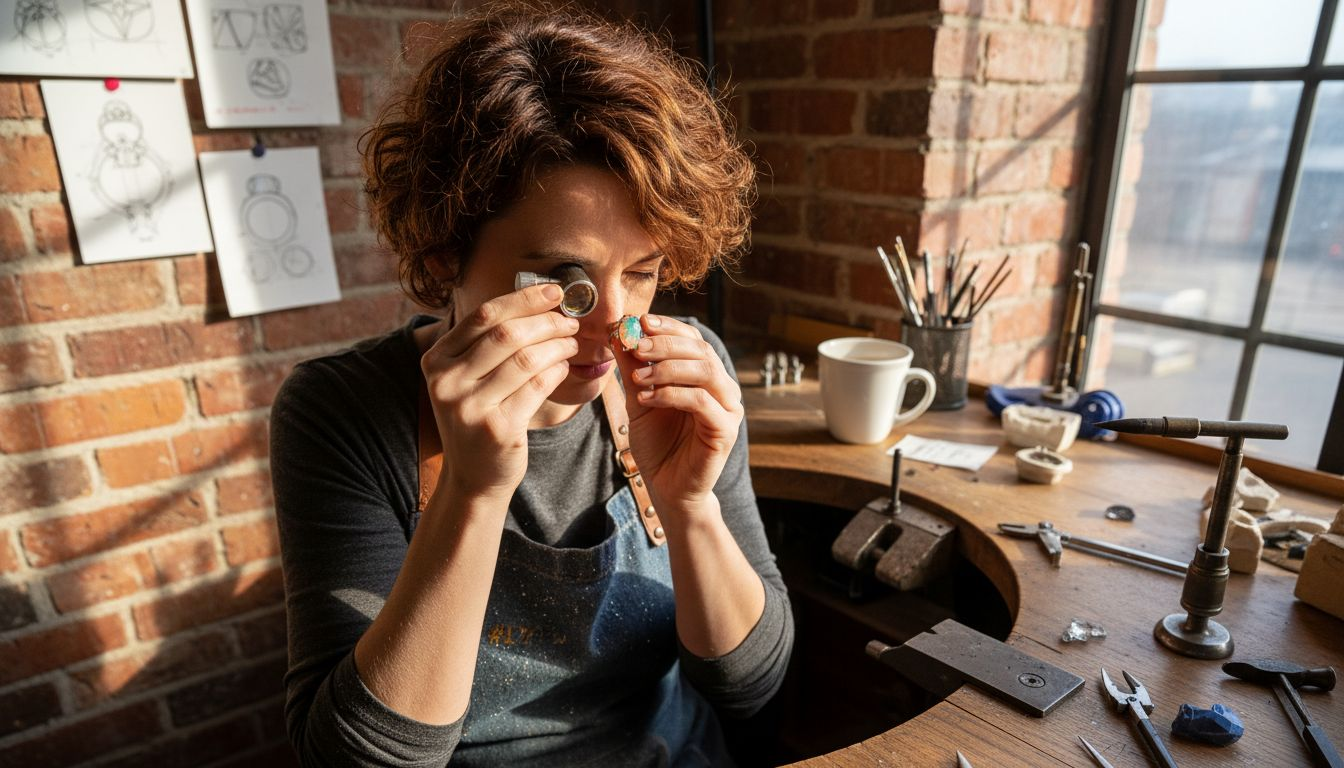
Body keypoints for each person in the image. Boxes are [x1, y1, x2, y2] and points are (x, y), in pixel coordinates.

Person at [269, 2, 795, 765]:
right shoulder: (343, 414)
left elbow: (753, 686)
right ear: (447, 253)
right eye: (562, 279)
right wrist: (472, 493)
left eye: (642, 274)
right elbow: (357, 757)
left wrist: (688, 507)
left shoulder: (677, 381)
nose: (613, 325)